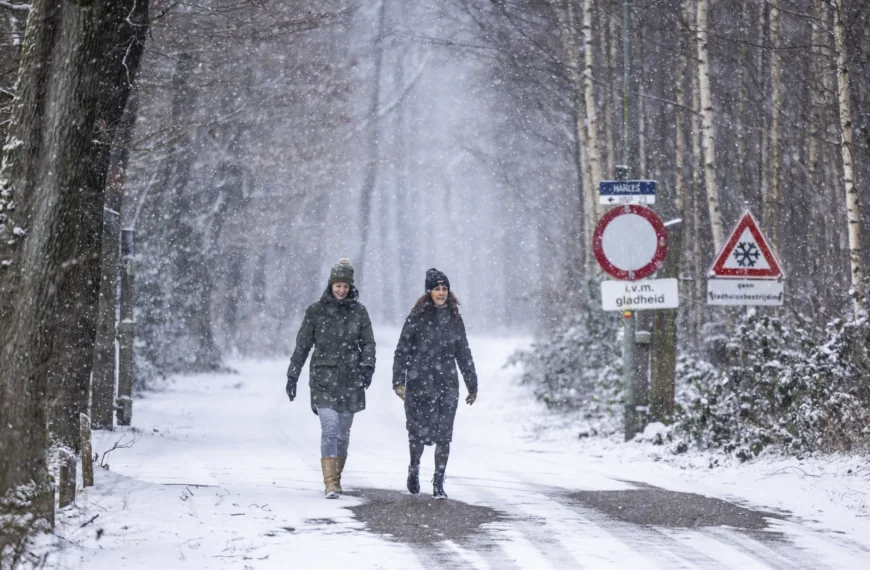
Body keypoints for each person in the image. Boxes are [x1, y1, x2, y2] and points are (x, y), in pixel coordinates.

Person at [285, 258, 376, 499]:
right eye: (337, 285)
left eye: (345, 285)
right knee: (330, 429)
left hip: (351, 379)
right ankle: (330, 483)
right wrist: (293, 374)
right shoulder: (315, 311)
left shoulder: (359, 311)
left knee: (344, 433)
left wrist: (368, 366)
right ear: (330, 285)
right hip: (323, 378)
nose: (341, 290)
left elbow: (368, 342)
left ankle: (336, 477)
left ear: (350, 286)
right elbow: (303, 344)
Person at [392, 268, 478, 500]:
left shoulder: (454, 318)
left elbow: (464, 352)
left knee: (444, 434)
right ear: (428, 292)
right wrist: (399, 381)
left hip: (447, 383)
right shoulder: (417, 316)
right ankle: (414, 467)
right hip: (419, 382)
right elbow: (402, 350)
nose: (441, 293)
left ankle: (439, 481)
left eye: (444, 289)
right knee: (417, 432)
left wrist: (472, 383)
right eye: (437, 289)